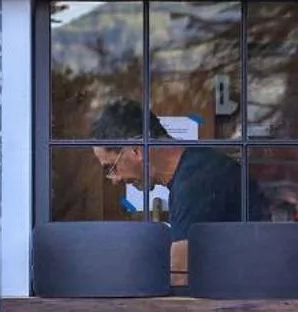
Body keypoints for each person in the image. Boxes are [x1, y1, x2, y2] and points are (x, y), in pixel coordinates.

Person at [89, 99, 265, 275]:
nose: (115, 180)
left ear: (136, 150)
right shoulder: (197, 166)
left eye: (111, 168)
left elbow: (180, 276)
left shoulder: (196, 183)